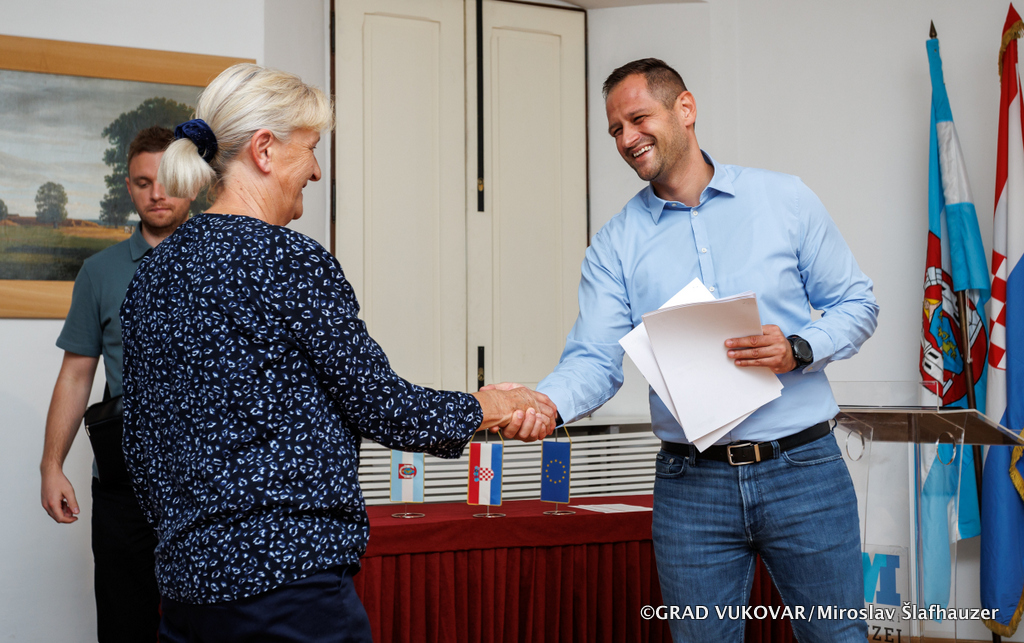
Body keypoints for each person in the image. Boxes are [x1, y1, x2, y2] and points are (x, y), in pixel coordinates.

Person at [119, 63, 555, 643]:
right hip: (286, 585)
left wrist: (192, 542)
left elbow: (140, 440)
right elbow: (381, 405)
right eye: (311, 149)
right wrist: (491, 406)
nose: (317, 170)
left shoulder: (153, 274)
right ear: (265, 150)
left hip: (186, 590)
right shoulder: (289, 260)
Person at [532, 58, 880, 641]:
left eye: (638, 118)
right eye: (615, 129)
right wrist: (544, 404)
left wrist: (799, 347)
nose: (626, 139)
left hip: (805, 471)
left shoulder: (785, 200)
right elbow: (593, 360)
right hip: (691, 485)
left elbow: (857, 303)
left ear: (686, 109)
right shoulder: (615, 245)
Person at [39, 126, 194, 642]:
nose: (157, 194)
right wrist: (51, 465)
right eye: (143, 182)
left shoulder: (224, 264)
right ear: (128, 187)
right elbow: (76, 373)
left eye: (167, 180)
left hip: (209, 480)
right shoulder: (99, 272)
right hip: (124, 482)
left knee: (212, 623)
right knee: (125, 624)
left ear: (192, 182)